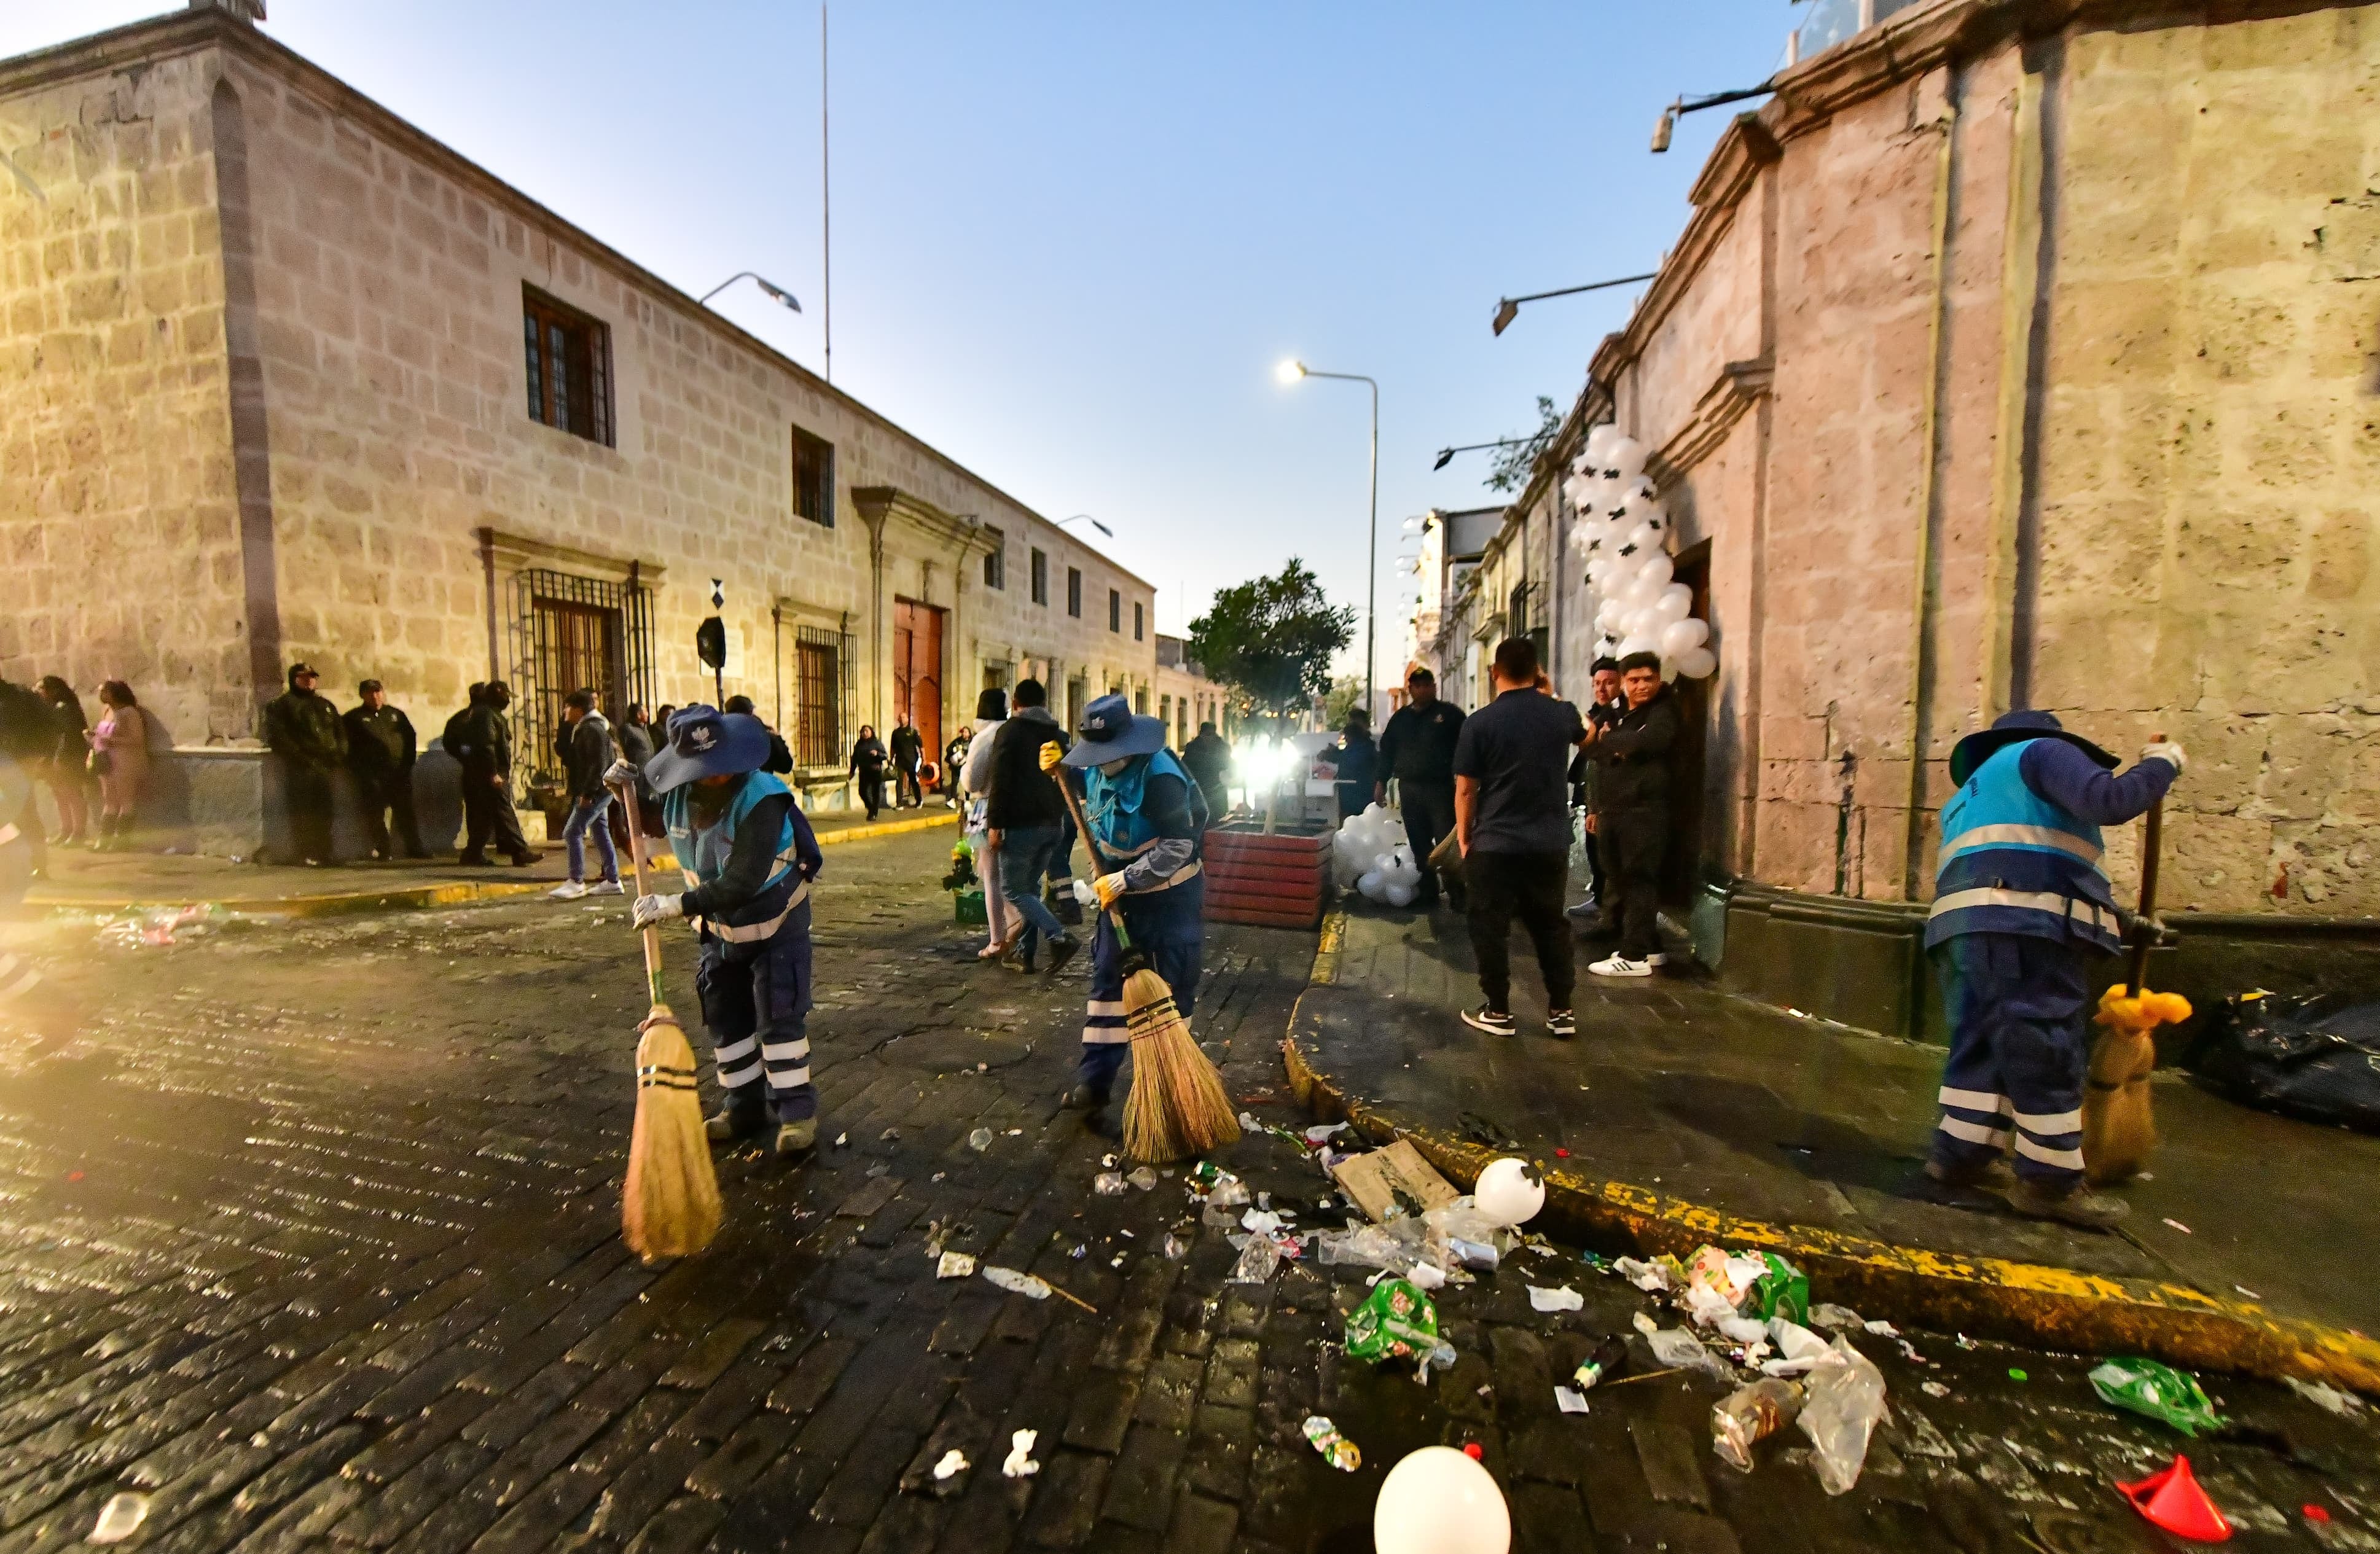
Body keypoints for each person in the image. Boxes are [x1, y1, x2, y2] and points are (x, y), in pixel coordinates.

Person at [1925, 712, 2183, 1228]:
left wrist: (2122, 922)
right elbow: (2109, 801)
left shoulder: (1967, 797)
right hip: (2024, 931)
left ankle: (1960, 1156)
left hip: (1962, 932)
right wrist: (2162, 766)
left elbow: (2028, 861)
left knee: (1982, 1047)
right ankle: (2050, 1182)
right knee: (2044, 1046)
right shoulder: (2041, 752)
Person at [625, 705, 825, 1157]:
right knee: (725, 1019)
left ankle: (796, 1113)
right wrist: (622, 792)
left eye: (720, 769)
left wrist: (676, 905)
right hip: (719, 931)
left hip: (776, 924)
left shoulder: (763, 800)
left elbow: (743, 880)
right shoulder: (680, 793)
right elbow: (647, 814)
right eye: (703, 771)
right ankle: (743, 1108)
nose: (715, 778)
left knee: (780, 1018)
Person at [1055, 693, 1209, 1117]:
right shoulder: (1098, 768)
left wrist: (1126, 878)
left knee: (1172, 983)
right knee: (1109, 980)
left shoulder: (1161, 778)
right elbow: (1083, 793)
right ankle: (1096, 1082)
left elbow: (1181, 844)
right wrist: (1059, 767)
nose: (1101, 762)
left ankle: (1177, 1089)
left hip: (1169, 897)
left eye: (1108, 753)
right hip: (1117, 891)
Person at [1452, 639, 1586, 1039]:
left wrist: (1464, 836)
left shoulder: (1479, 723)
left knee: (1490, 926)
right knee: (1551, 926)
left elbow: (1466, 790)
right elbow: (1590, 735)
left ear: (1494, 672)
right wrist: (1552, 694)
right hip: (1549, 842)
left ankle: (1498, 1010)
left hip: (1494, 843)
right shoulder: (1560, 714)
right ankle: (1561, 1010)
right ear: (1537, 670)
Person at [1581, 652, 1678, 977]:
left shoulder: (1664, 711)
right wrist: (1612, 744)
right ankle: (1650, 947)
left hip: (1643, 811)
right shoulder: (1616, 710)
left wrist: (1613, 739)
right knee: (1619, 877)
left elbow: (1647, 743)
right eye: (1634, 680)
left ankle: (1633, 955)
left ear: (1659, 680)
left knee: (1639, 879)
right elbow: (1590, 746)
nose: (1641, 686)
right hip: (1614, 810)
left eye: (1648, 679)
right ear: (1624, 683)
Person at [984, 678, 1079, 975]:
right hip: (1053, 824)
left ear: (1015, 703)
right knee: (1030, 890)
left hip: (1021, 825)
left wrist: (995, 824)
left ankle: (1059, 936)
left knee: (1013, 890)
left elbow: (1001, 780)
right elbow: (1069, 778)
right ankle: (1025, 954)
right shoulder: (1057, 734)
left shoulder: (1010, 731)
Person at [1375, 667, 1466, 907]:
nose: (1425, 689)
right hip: (1410, 788)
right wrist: (1380, 782)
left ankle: (1457, 892)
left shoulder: (1450, 715)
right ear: (1411, 689)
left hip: (1441, 789)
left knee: (1446, 843)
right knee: (1419, 842)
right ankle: (1428, 890)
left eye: (1429, 685)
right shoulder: (1401, 719)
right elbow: (1387, 752)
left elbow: (1468, 745)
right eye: (1420, 686)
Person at [448, 680, 539, 867]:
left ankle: (472, 854)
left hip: (485, 774)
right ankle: (520, 852)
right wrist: (493, 773)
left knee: (484, 816)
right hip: (490, 775)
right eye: (506, 696)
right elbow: (486, 745)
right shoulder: (486, 715)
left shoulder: (488, 714)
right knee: (504, 811)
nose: (508, 700)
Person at [262, 663, 345, 865]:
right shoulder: (282, 706)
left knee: (325, 812)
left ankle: (325, 853)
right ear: (294, 679)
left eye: (312, 677)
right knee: (303, 812)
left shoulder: (325, 705)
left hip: (325, 768)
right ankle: (304, 853)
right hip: (301, 769)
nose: (309, 681)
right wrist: (303, 758)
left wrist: (339, 755)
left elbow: (339, 732)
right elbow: (279, 738)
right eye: (303, 677)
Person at [1567, 658, 1627, 924]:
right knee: (1594, 849)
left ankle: (1612, 914)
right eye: (1597, 684)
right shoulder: (1595, 713)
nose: (1602, 689)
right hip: (1590, 790)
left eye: (1609, 683)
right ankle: (1600, 898)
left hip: (1613, 798)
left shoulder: (1623, 715)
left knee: (1610, 856)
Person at [549, 689, 622, 900]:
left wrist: (587, 793)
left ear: (578, 709)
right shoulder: (591, 727)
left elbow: (596, 764)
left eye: (568, 707)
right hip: (600, 789)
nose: (565, 711)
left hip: (596, 790)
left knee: (572, 832)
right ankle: (613, 879)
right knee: (600, 831)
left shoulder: (592, 729)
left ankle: (576, 881)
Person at [343, 679, 425, 861]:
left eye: (378, 692)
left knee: (405, 811)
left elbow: (410, 738)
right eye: (370, 693)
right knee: (374, 813)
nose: (375, 696)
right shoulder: (353, 718)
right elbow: (346, 747)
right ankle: (383, 848)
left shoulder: (395, 714)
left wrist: (407, 764)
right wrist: (360, 770)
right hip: (372, 776)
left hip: (398, 773)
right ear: (362, 695)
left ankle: (414, 847)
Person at [959, 687, 1012, 961]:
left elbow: (973, 781)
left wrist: (961, 771)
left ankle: (998, 938)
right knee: (1007, 873)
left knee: (992, 876)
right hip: (1016, 807)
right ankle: (1015, 928)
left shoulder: (985, 736)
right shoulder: (1011, 731)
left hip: (988, 807)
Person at [85, 681, 150, 852]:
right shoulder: (107, 711)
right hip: (106, 760)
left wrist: (111, 740)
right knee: (109, 799)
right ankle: (104, 839)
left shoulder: (129, 713)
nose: (102, 696)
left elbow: (137, 739)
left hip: (125, 760)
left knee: (126, 799)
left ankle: (121, 841)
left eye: (105, 692)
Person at [36, 677, 90, 847]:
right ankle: (66, 829)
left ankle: (78, 832)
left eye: (41, 689)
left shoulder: (66, 709)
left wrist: (60, 757)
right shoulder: (52, 709)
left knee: (73, 794)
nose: (38, 693)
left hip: (68, 757)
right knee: (59, 794)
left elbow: (68, 735)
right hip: (54, 757)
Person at [616, 703, 665, 838]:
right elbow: (622, 749)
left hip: (648, 772)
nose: (648, 714)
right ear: (638, 714)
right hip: (637, 772)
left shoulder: (645, 729)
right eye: (645, 711)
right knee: (637, 802)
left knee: (650, 801)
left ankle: (650, 828)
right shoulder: (627, 729)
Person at [721, 696, 794, 775]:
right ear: (750, 713)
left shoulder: (720, 738)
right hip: (759, 785)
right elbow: (786, 766)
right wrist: (778, 739)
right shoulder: (765, 737)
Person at [1328, 711, 1378, 820]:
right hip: (1352, 797)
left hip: (1358, 798)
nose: (1345, 739)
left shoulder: (1364, 748)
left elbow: (1350, 761)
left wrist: (1333, 754)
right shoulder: (1357, 747)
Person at [1181, 720, 1232, 824]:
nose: (1209, 738)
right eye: (1207, 735)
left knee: (1216, 819)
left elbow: (1227, 765)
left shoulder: (1222, 747)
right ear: (1202, 734)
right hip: (1200, 787)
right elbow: (1185, 766)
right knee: (1200, 818)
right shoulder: (1193, 747)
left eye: (1211, 734)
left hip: (1216, 787)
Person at [849, 725, 888, 819]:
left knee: (875, 793)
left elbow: (885, 756)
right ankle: (871, 808)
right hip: (864, 771)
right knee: (862, 792)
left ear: (871, 732)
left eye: (866, 731)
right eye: (863, 732)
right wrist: (852, 771)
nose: (865, 733)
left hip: (875, 770)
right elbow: (855, 759)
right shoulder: (859, 744)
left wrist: (877, 754)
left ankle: (874, 813)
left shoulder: (877, 743)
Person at [890, 714, 925, 808]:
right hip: (899, 761)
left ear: (908, 719)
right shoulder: (896, 733)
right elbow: (893, 748)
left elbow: (921, 747)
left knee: (913, 781)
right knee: (899, 781)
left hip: (911, 760)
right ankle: (899, 804)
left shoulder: (913, 732)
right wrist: (891, 759)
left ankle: (919, 800)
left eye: (904, 717)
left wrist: (924, 760)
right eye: (900, 717)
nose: (902, 719)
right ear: (898, 719)